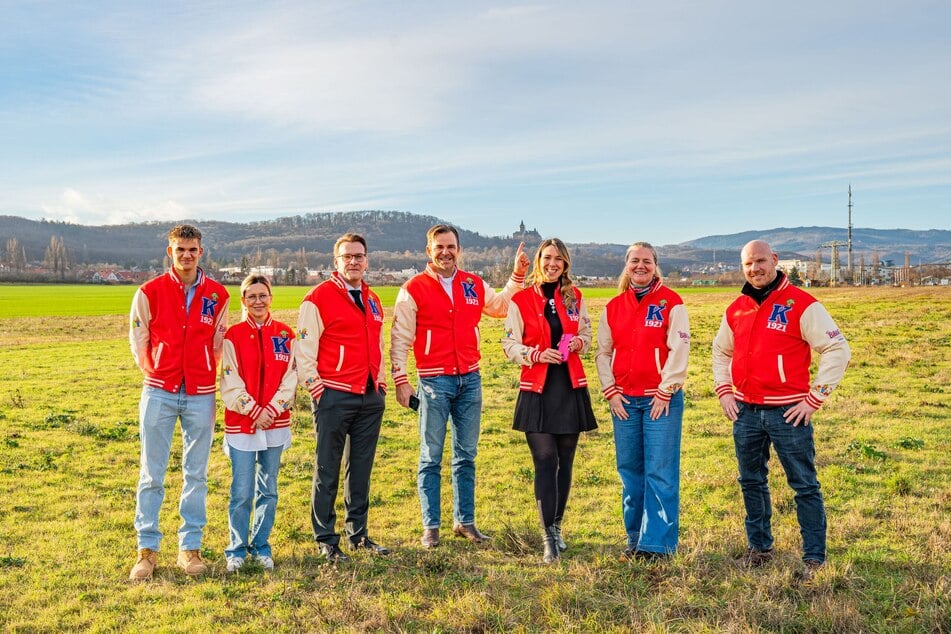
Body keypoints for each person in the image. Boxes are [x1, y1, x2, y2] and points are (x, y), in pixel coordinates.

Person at [712, 240, 850, 581]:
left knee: (804, 484)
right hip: (745, 411)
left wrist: (814, 397)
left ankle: (814, 558)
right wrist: (724, 391)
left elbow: (836, 349)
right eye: (748, 263)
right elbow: (720, 352)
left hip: (788, 411)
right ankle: (759, 549)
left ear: (774, 260)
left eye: (760, 261)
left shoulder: (802, 304)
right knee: (751, 481)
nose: (754, 268)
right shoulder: (737, 308)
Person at [390, 224, 530, 547]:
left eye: (450, 246)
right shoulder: (413, 288)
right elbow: (400, 338)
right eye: (439, 247)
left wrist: (517, 275)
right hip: (433, 381)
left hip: (470, 379)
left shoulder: (473, 284)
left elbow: (502, 305)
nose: (445, 252)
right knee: (431, 455)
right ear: (429, 251)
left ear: (459, 249)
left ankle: (464, 522)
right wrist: (401, 380)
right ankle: (431, 526)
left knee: (466, 455)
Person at [128, 224, 230, 580]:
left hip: (201, 393)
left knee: (196, 474)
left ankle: (190, 548)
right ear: (169, 252)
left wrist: (203, 371)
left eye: (192, 250)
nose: (186, 255)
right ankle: (146, 550)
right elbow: (138, 336)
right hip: (159, 390)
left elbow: (219, 344)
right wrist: (155, 369)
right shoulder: (149, 291)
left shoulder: (218, 295)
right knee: (151, 473)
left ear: (201, 252)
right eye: (180, 249)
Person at [501, 238, 597, 563]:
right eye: (547, 257)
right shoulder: (521, 300)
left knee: (565, 463)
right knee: (545, 460)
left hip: (569, 386)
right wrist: (536, 354)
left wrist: (581, 342)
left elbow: (586, 331)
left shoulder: (575, 296)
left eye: (558, 258)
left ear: (565, 263)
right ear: (539, 261)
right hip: (537, 387)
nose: (552, 263)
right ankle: (547, 539)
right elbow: (509, 344)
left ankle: (557, 528)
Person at [296, 233, 388, 563]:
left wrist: (379, 382)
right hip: (333, 395)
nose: (353, 261)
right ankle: (325, 538)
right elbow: (304, 349)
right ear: (335, 261)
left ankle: (358, 534)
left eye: (359, 256)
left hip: (368, 397)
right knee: (327, 469)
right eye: (346, 256)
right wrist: (316, 388)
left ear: (367, 260)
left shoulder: (373, 298)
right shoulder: (317, 298)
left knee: (360, 469)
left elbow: (376, 343)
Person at [595, 242, 690, 560]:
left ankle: (658, 545)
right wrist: (611, 391)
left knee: (660, 472)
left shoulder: (671, 303)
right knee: (630, 472)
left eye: (646, 261)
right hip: (624, 402)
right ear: (626, 264)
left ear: (655, 265)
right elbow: (603, 352)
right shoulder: (613, 307)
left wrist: (666, 390)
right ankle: (634, 539)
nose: (641, 266)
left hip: (659, 402)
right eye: (635, 260)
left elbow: (679, 350)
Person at [220, 275, 298, 572]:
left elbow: (291, 378)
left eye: (262, 295)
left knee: (269, 489)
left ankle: (261, 544)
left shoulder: (285, 334)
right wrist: (254, 410)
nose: (257, 301)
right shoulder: (233, 336)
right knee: (242, 490)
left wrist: (273, 409)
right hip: (243, 426)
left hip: (276, 424)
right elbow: (229, 379)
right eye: (251, 296)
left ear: (270, 297)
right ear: (243, 300)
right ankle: (236, 548)